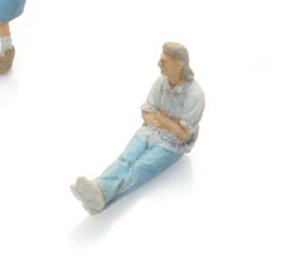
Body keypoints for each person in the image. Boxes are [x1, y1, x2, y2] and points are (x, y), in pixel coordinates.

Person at [71, 43, 205, 214]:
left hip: (171, 145)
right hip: (148, 131)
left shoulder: (195, 95)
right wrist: (169, 121)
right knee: (125, 159)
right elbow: (146, 112)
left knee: (139, 169)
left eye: (164, 61)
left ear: (179, 64)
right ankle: (97, 188)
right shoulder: (161, 82)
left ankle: (101, 198)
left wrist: (159, 117)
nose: (159, 63)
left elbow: (182, 134)